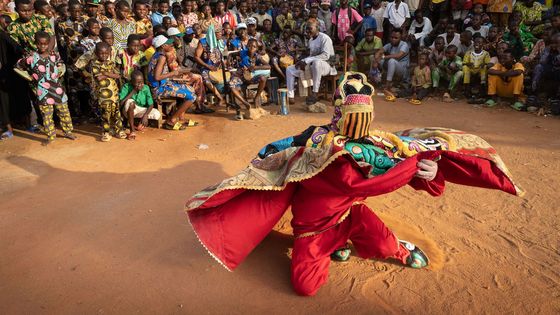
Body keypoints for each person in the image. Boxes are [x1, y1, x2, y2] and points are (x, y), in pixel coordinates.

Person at [185, 71, 523, 297]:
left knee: (385, 245)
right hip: (312, 229)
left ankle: (396, 246)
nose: (359, 120)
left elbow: (401, 161)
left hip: (350, 214)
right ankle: (338, 243)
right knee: (305, 287)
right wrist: (412, 166)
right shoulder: (316, 142)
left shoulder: (376, 142)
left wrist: (429, 171)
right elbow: (357, 177)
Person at [16, 32, 76, 145]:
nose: (42, 46)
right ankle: (50, 136)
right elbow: (18, 66)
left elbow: (61, 64)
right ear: (36, 44)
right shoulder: (31, 58)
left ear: (49, 44)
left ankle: (68, 131)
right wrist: (28, 76)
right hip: (42, 92)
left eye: (45, 44)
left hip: (58, 89)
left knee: (64, 111)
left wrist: (60, 70)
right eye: (40, 44)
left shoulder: (55, 55)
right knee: (46, 115)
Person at [148, 35, 199, 129]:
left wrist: (177, 78)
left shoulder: (156, 55)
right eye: (168, 44)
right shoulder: (162, 58)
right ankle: (171, 121)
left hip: (162, 85)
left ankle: (181, 117)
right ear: (163, 46)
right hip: (159, 89)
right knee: (192, 96)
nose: (171, 45)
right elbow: (157, 76)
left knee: (191, 89)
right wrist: (173, 73)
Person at [285, 22, 336, 105]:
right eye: (307, 29)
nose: (308, 30)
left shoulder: (325, 38)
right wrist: (301, 61)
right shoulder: (311, 40)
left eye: (310, 28)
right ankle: (290, 96)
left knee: (316, 63)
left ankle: (315, 93)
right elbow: (310, 55)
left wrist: (307, 60)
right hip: (313, 67)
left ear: (317, 28)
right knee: (290, 69)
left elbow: (326, 56)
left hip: (328, 66)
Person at [88, 42, 125, 141]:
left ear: (109, 52)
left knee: (117, 114)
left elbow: (118, 75)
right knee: (105, 115)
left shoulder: (111, 63)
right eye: (101, 53)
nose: (104, 55)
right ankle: (106, 132)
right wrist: (110, 74)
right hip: (103, 96)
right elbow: (99, 78)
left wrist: (105, 73)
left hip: (114, 94)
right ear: (96, 53)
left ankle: (118, 130)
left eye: (106, 53)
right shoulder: (94, 65)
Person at [120, 70, 161, 140]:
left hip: (140, 111)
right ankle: (132, 130)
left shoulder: (146, 88)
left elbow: (150, 104)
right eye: (138, 82)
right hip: (127, 111)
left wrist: (145, 115)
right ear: (132, 82)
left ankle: (138, 123)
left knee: (157, 114)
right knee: (130, 102)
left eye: (142, 82)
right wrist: (132, 92)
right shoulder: (126, 86)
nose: (141, 84)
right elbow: (121, 103)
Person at [528, 33, 560, 115]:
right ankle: (533, 93)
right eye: (552, 43)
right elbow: (542, 61)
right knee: (539, 67)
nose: (554, 45)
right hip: (550, 70)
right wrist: (549, 52)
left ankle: (556, 99)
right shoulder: (548, 49)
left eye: (556, 43)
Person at [239, 38, 271, 108]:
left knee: (263, 78)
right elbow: (231, 54)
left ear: (256, 48)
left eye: (254, 46)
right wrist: (229, 59)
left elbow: (268, 66)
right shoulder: (242, 53)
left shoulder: (257, 56)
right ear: (247, 46)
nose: (251, 48)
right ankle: (244, 101)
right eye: (250, 46)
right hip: (242, 77)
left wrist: (256, 67)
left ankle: (257, 97)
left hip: (252, 77)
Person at [381, 28, 409, 101]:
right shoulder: (390, 45)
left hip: (402, 71)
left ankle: (387, 86)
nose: (393, 39)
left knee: (391, 61)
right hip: (394, 69)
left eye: (396, 38)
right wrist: (376, 57)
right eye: (392, 37)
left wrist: (385, 57)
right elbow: (380, 51)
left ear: (400, 38)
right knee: (378, 60)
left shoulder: (404, 44)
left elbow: (398, 55)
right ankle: (377, 79)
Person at [463, 37, 490, 103]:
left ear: (483, 44)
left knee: (484, 68)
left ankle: (482, 88)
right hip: (471, 69)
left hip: (480, 70)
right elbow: (464, 63)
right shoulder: (469, 53)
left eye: (479, 42)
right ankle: (466, 88)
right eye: (475, 42)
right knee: (465, 68)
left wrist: (483, 64)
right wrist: (468, 63)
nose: (477, 44)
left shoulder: (486, 54)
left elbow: (487, 63)